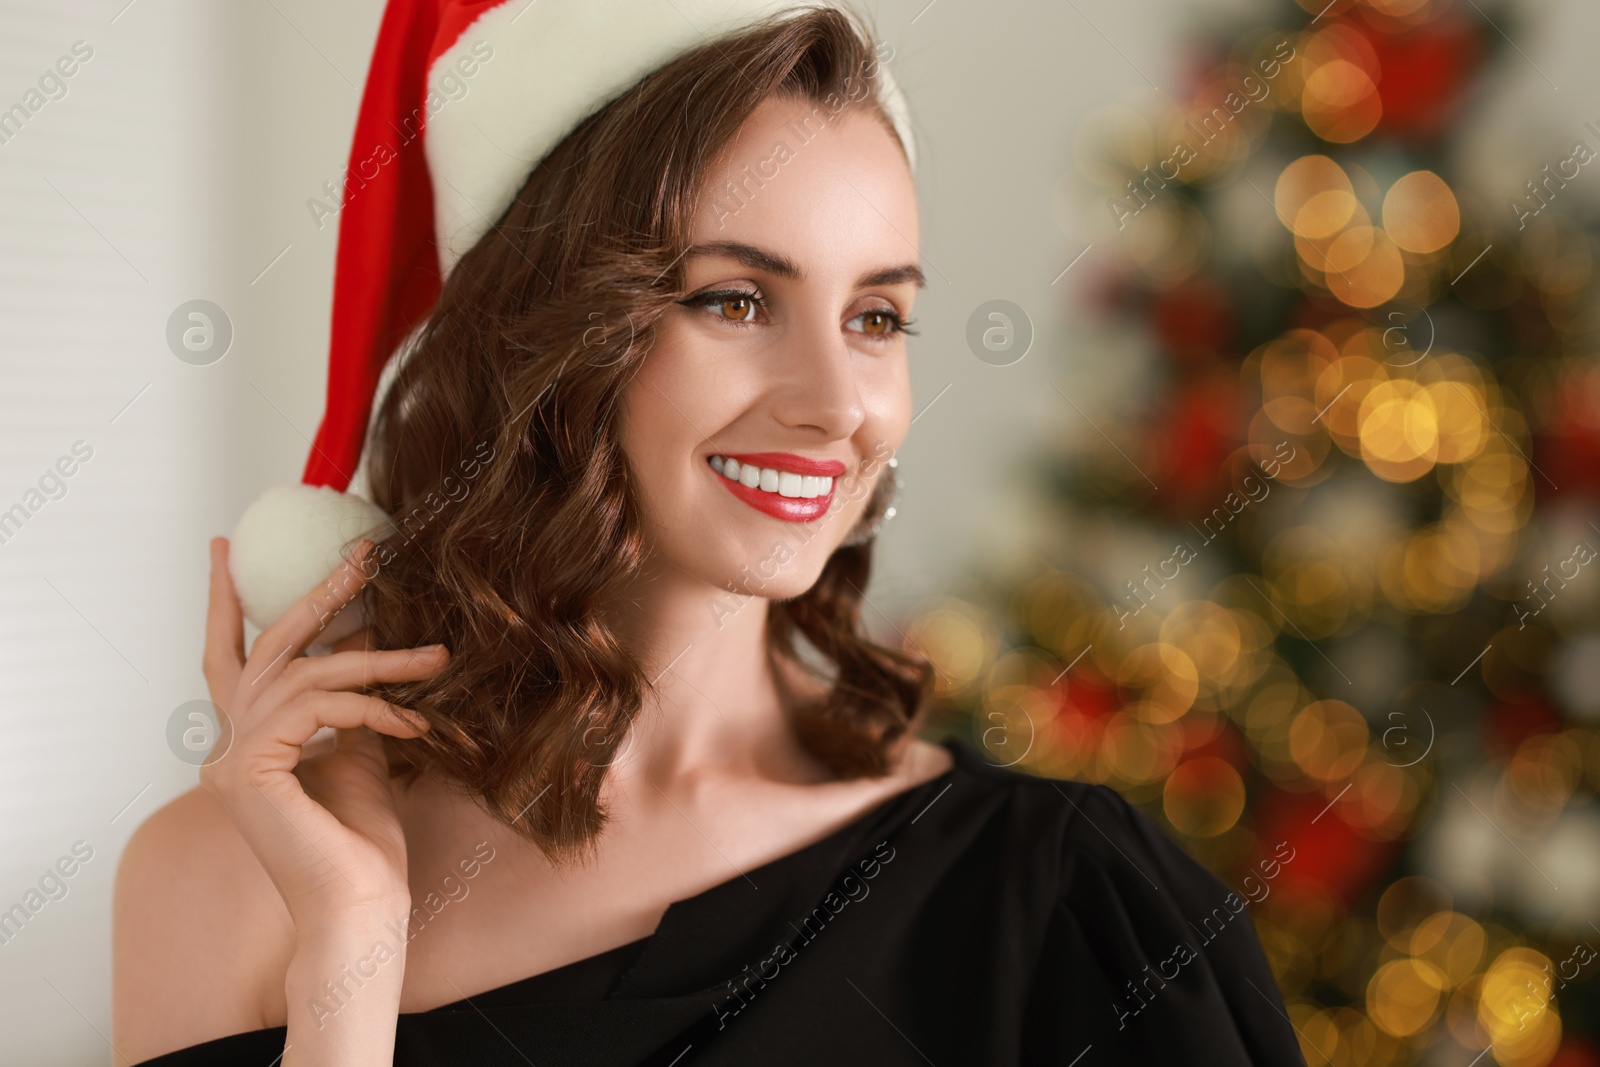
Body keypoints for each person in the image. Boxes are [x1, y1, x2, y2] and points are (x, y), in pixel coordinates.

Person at [111, 2, 1306, 1064]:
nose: (836, 401)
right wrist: (350, 960)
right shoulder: (230, 882)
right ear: (549, 334)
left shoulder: (1066, 903)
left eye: (877, 315)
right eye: (735, 299)